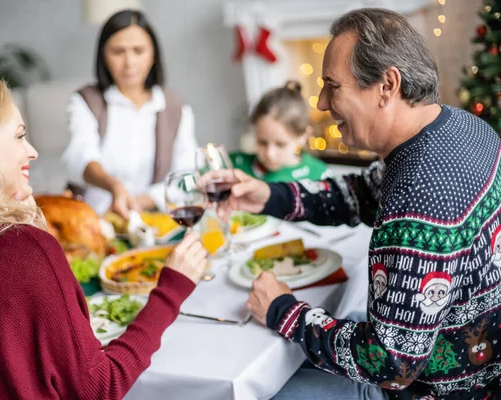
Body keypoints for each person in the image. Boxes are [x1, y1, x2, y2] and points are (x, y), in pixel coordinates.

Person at [200, 8, 501, 400]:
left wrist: (283, 310)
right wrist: (268, 195)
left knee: (250, 390)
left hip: (435, 389)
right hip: (459, 356)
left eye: (332, 85)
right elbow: (363, 193)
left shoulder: (420, 200)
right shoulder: (460, 127)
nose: (322, 102)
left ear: (387, 85)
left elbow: (391, 364)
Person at [0, 80, 208, 399]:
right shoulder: (23, 248)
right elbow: (101, 387)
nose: (31, 151)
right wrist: (171, 289)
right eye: (19, 136)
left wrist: (40, 240)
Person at [62, 9, 197, 219]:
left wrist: (137, 202)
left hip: (156, 220)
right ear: (103, 56)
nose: (129, 63)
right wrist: (114, 187)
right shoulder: (86, 101)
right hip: (97, 218)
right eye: (118, 51)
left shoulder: (174, 106)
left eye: (138, 50)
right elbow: (81, 157)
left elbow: (187, 175)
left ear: (154, 55)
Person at [230, 80, 330, 182]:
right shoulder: (235, 165)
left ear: (304, 136)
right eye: (262, 143)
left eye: (280, 144)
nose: (270, 154)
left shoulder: (318, 175)